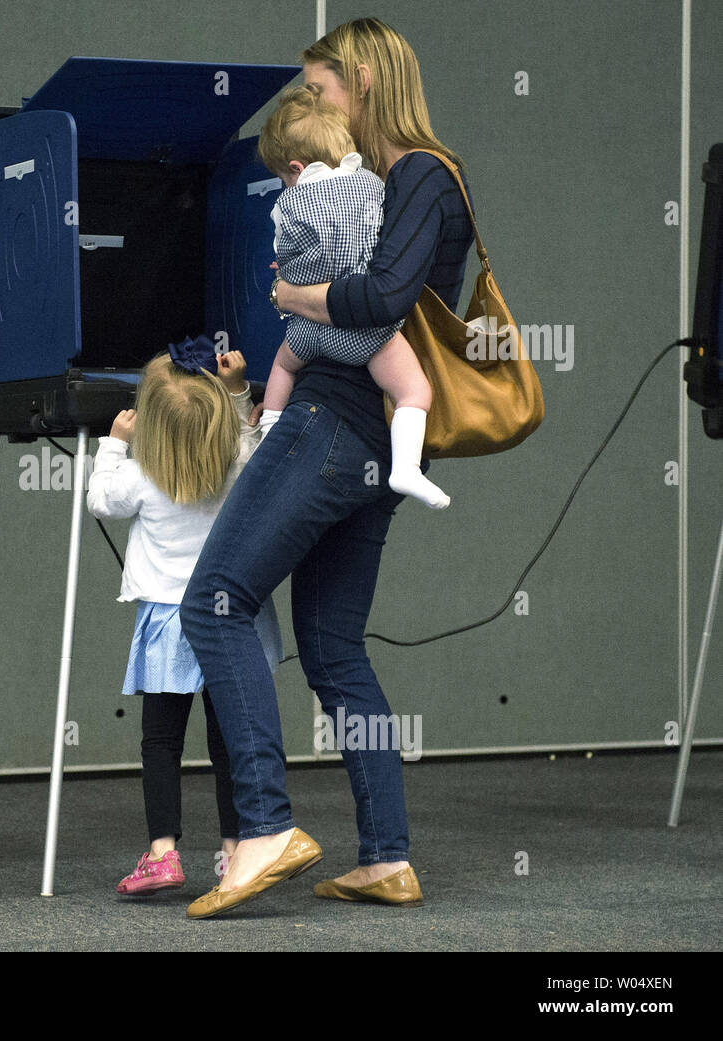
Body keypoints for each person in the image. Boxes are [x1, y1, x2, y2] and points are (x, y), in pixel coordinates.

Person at [180, 16, 475, 918]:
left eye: (320, 87)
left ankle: (265, 825)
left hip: (329, 427)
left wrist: (292, 294)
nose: (309, 104)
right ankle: (385, 856)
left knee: (215, 599)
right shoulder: (373, 185)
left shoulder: (422, 174)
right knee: (336, 651)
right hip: (369, 445)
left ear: (367, 82)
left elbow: (381, 299)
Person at [87, 339, 282, 896]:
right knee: (230, 742)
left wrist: (113, 445)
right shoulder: (236, 463)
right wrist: (239, 389)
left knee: (160, 741)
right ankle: (234, 852)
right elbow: (256, 442)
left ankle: (163, 854)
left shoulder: (142, 473)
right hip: (231, 620)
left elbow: (100, 499)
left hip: (169, 624)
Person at [258, 85, 449, 510]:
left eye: (283, 176)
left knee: (282, 366)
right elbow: (384, 250)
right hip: (364, 334)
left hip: (309, 329)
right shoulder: (373, 185)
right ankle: (406, 468)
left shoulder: (288, 205)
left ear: (295, 167)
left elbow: (284, 257)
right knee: (414, 391)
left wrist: (288, 281)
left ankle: (269, 428)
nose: (285, 184)